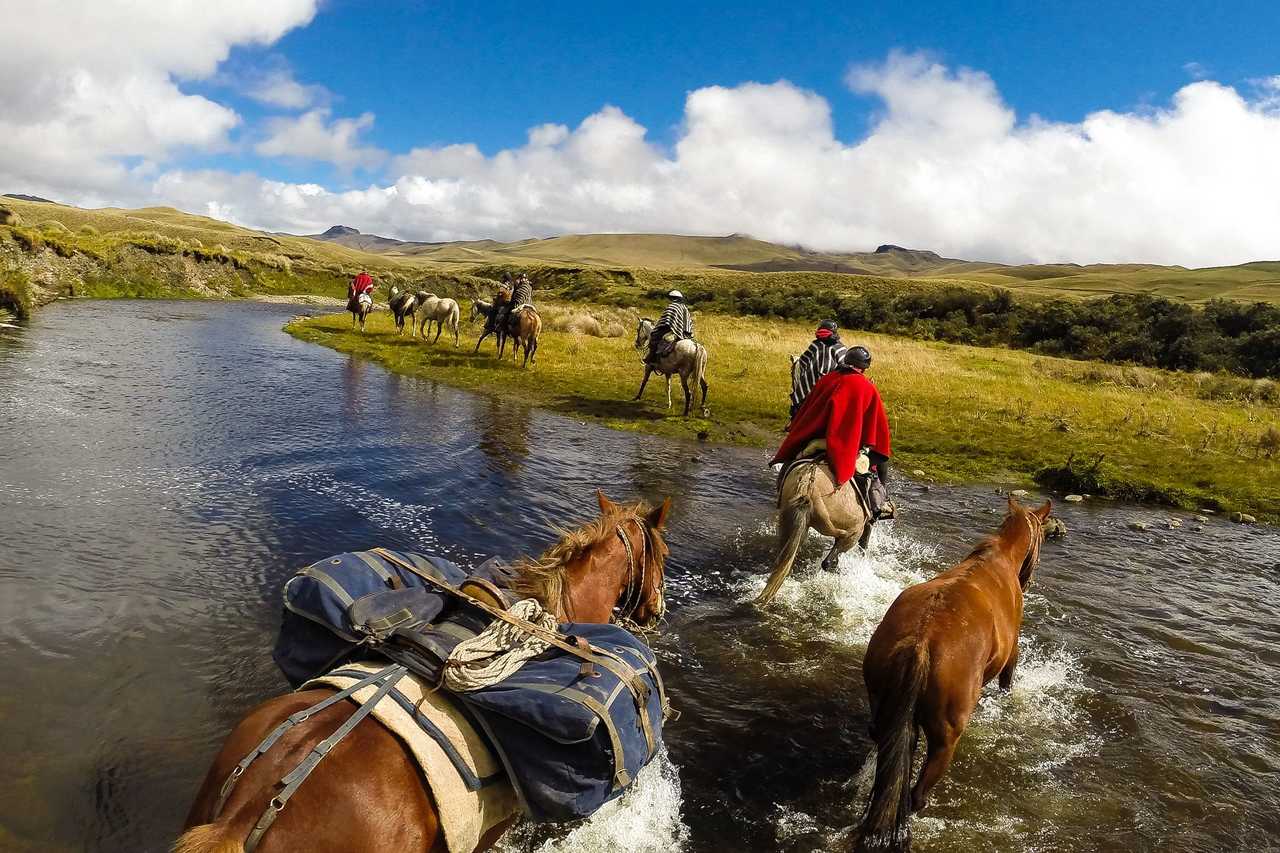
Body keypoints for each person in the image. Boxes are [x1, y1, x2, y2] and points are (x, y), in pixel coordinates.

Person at [771, 345, 892, 514]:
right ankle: (877, 506)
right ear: (864, 367)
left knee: (791, 461)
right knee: (875, 466)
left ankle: (780, 495)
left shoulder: (827, 379)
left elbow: (808, 408)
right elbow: (878, 428)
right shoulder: (867, 387)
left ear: (847, 360)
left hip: (815, 440)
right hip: (845, 446)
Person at [790, 320, 847, 417]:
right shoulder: (815, 345)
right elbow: (803, 361)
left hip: (829, 385)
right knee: (802, 407)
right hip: (811, 383)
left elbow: (844, 366)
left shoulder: (839, 348)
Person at [646, 290, 694, 366]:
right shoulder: (684, 307)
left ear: (672, 298)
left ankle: (652, 359)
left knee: (654, 337)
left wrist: (659, 327)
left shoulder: (671, 306)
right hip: (684, 332)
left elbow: (665, 321)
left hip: (672, 331)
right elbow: (687, 321)